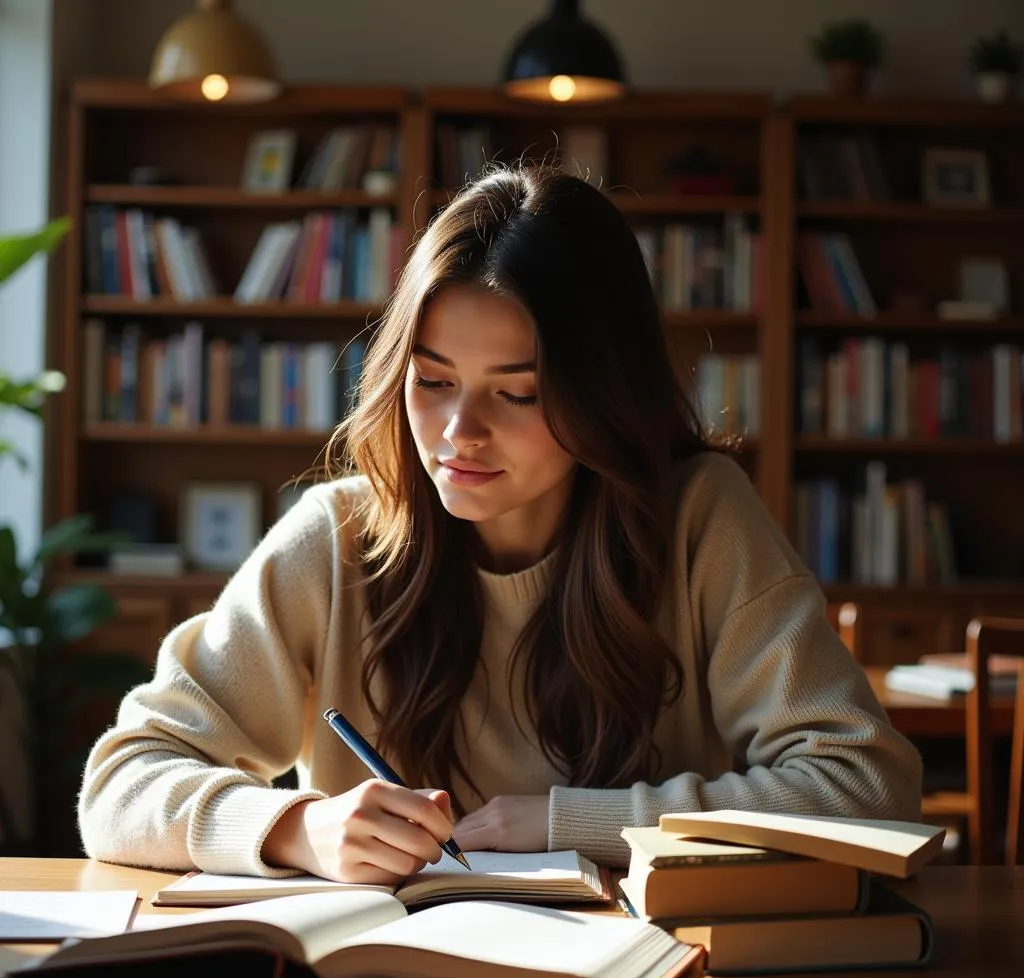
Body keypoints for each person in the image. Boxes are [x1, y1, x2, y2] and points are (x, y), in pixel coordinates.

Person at [79, 164, 922, 885]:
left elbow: (865, 786)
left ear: (603, 393)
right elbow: (120, 783)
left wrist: (572, 824)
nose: (458, 433)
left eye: (515, 393)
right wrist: (297, 829)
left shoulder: (699, 517)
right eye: (433, 380)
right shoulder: (340, 535)